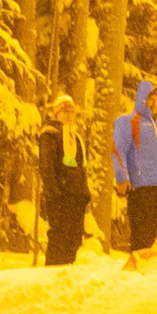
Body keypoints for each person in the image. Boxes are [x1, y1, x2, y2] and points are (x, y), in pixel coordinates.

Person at [112, 78, 157, 269]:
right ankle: (136, 264)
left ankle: (143, 263)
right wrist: (122, 178)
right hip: (139, 185)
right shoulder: (130, 121)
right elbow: (118, 150)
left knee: (154, 226)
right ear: (142, 99)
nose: (155, 102)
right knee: (141, 230)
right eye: (151, 98)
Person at [38, 93, 91, 266]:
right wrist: (54, 193)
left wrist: (85, 193)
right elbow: (47, 167)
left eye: (72, 111)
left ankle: (66, 271)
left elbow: (80, 167)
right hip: (60, 197)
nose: (69, 115)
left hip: (76, 197)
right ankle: (52, 272)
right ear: (56, 114)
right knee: (59, 236)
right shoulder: (50, 134)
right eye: (65, 111)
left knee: (74, 238)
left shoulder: (74, 137)